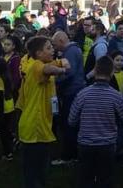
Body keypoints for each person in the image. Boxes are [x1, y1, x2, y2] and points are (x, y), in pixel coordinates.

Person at [68, 55, 123, 188]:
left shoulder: (83, 94)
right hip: (107, 144)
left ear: (95, 70)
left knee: (85, 179)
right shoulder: (116, 96)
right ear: (112, 72)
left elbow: (71, 120)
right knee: (105, 179)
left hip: (85, 143)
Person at [18, 36, 68, 188]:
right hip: (35, 127)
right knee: (34, 170)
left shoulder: (40, 62)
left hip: (41, 125)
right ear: (39, 53)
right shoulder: (36, 66)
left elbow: (53, 64)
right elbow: (48, 69)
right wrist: (62, 69)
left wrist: (60, 62)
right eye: (48, 48)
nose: (52, 49)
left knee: (40, 169)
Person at [52, 30, 85, 166]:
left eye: (54, 44)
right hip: (76, 90)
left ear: (61, 41)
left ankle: (68, 155)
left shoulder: (70, 52)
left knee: (68, 124)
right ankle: (74, 154)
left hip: (72, 92)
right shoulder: (74, 50)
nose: (54, 48)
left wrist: (56, 81)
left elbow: (68, 72)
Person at [0, 35, 22, 160]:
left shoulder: (15, 59)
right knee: (5, 125)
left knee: (5, 124)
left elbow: (16, 77)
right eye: (4, 44)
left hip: (8, 94)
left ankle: (8, 150)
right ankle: (13, 141)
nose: (5, 46)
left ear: (14, 46)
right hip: (3, 94)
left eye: (8, 44)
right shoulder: (2, 57)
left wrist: (12, 88)